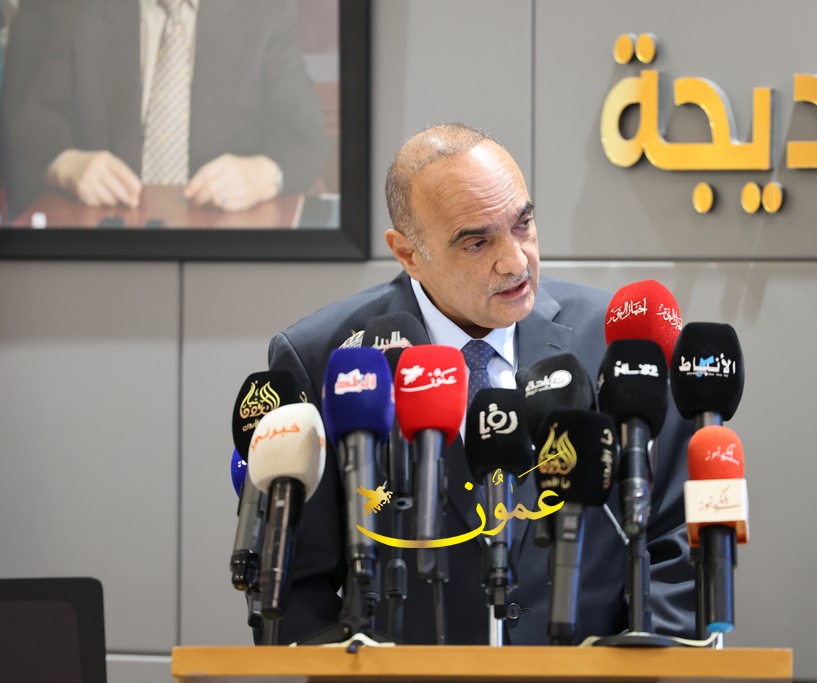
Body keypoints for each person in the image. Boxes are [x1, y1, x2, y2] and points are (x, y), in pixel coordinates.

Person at [267, 123, 695, 645]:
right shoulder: (325, 358)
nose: (515, 261)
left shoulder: (617, 340)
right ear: (408, 253)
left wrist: (644, 669)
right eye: (476, 242)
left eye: (523, 224)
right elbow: (296, 586)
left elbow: (675, 539)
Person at [0, 0, 330, 218]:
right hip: (103, 239)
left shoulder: (263, 11)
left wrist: (263, 174)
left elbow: (306, 134)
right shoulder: (72, 9)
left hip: (225, 242)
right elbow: (30, 124)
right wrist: (67, 165)